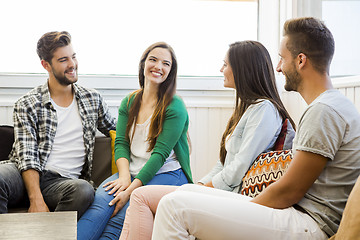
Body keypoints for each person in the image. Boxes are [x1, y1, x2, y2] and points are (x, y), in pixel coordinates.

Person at [150, 17, 360, 240]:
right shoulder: (332, 106)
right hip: (297, 214)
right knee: (185, 192)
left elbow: (289, 191)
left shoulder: (324, 111)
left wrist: (243, 211)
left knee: (173, 206)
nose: (278, 68)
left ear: (301, 61)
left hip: (308, 223)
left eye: (282, 59)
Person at [119, 40, 296, 240]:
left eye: (226, 65)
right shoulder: (248, 109)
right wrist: (199, 185)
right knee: (140, 198)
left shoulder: (264, 110)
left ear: (242, 69)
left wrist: (199, 190)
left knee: (141, 196)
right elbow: (223, 163)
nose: (222, 69)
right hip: (224, 191)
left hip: (238, 199)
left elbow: (238, 168)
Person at [77, 42, 193, 240]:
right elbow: (121, 143)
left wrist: (130, 191)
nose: (158, 66)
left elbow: (159, 155)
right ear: (143, 64)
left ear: (171, 71)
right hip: (131, 171)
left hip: (167, 172)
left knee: (120, 217)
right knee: (97, 211)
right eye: (153, 60)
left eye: (166, 63)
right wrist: (123, 177)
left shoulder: (175, 106)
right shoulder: (129, 101)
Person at [0, 31, 116, 219]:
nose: (72, 64)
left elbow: (115, 129)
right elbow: (27, 155)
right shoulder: (28, 103)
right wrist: (36, 198)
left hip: (62, 183)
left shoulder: (92, 99)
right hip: (23, 174)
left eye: (73, 56)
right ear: (46, 65)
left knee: (84, 190)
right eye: (63, 60)